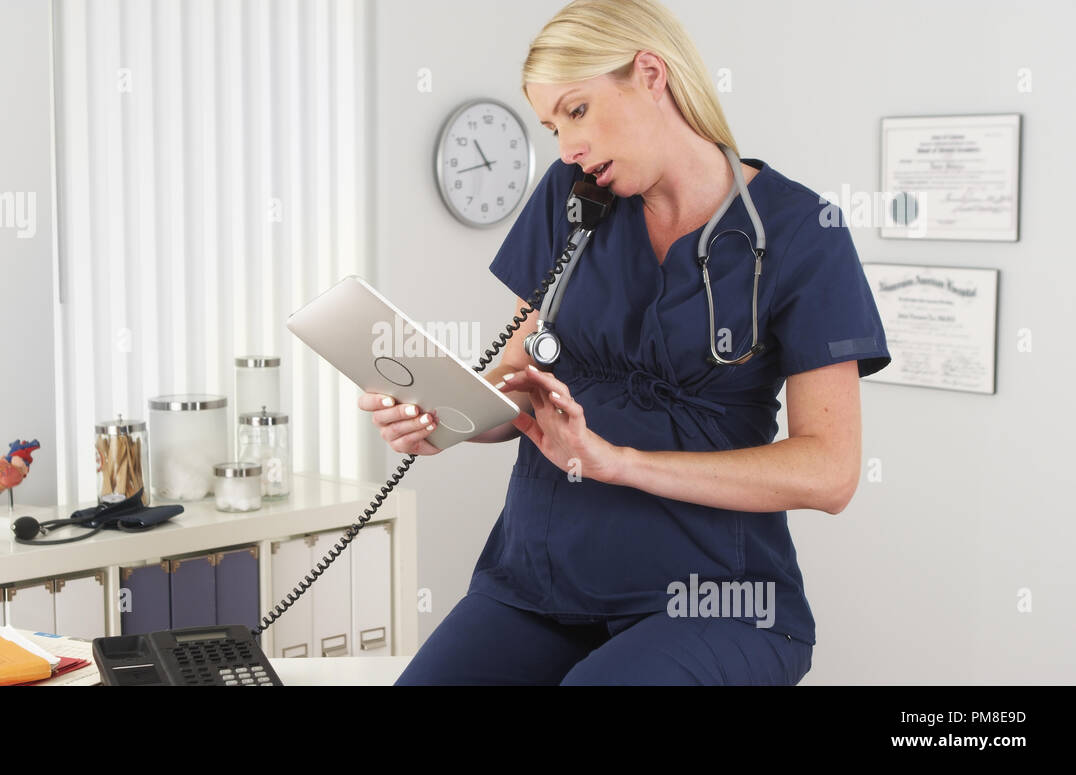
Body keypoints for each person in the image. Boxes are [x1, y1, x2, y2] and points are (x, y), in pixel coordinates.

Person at [360, 0, 890, 685]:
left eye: (575, 112)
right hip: (538, 583)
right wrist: (449, 414)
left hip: (713, 598)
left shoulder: (801, 232)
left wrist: (619, 461)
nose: (565, 148)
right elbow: (518, 380)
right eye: (552, 126)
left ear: (649, 74)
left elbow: (830, 472)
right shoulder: (569, 199)